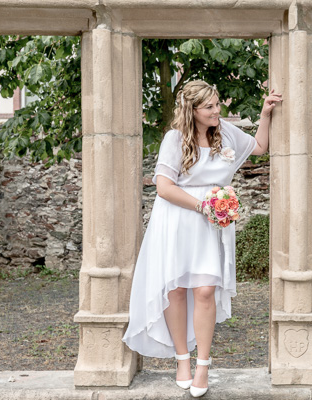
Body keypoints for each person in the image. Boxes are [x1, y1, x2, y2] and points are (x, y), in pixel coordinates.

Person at [122, 80, 281, 397]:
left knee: (206, 290)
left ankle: (203, 366)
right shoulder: (174, 139)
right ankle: (182, 360)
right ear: (192, 110)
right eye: (209, 106)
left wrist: (265, 113)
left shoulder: (225, 133)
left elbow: (260, 147)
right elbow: (164, 187)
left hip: (211, 227)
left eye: (217, 104)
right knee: (177, 290)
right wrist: (202, 206)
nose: (217, 110)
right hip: (178, 220)